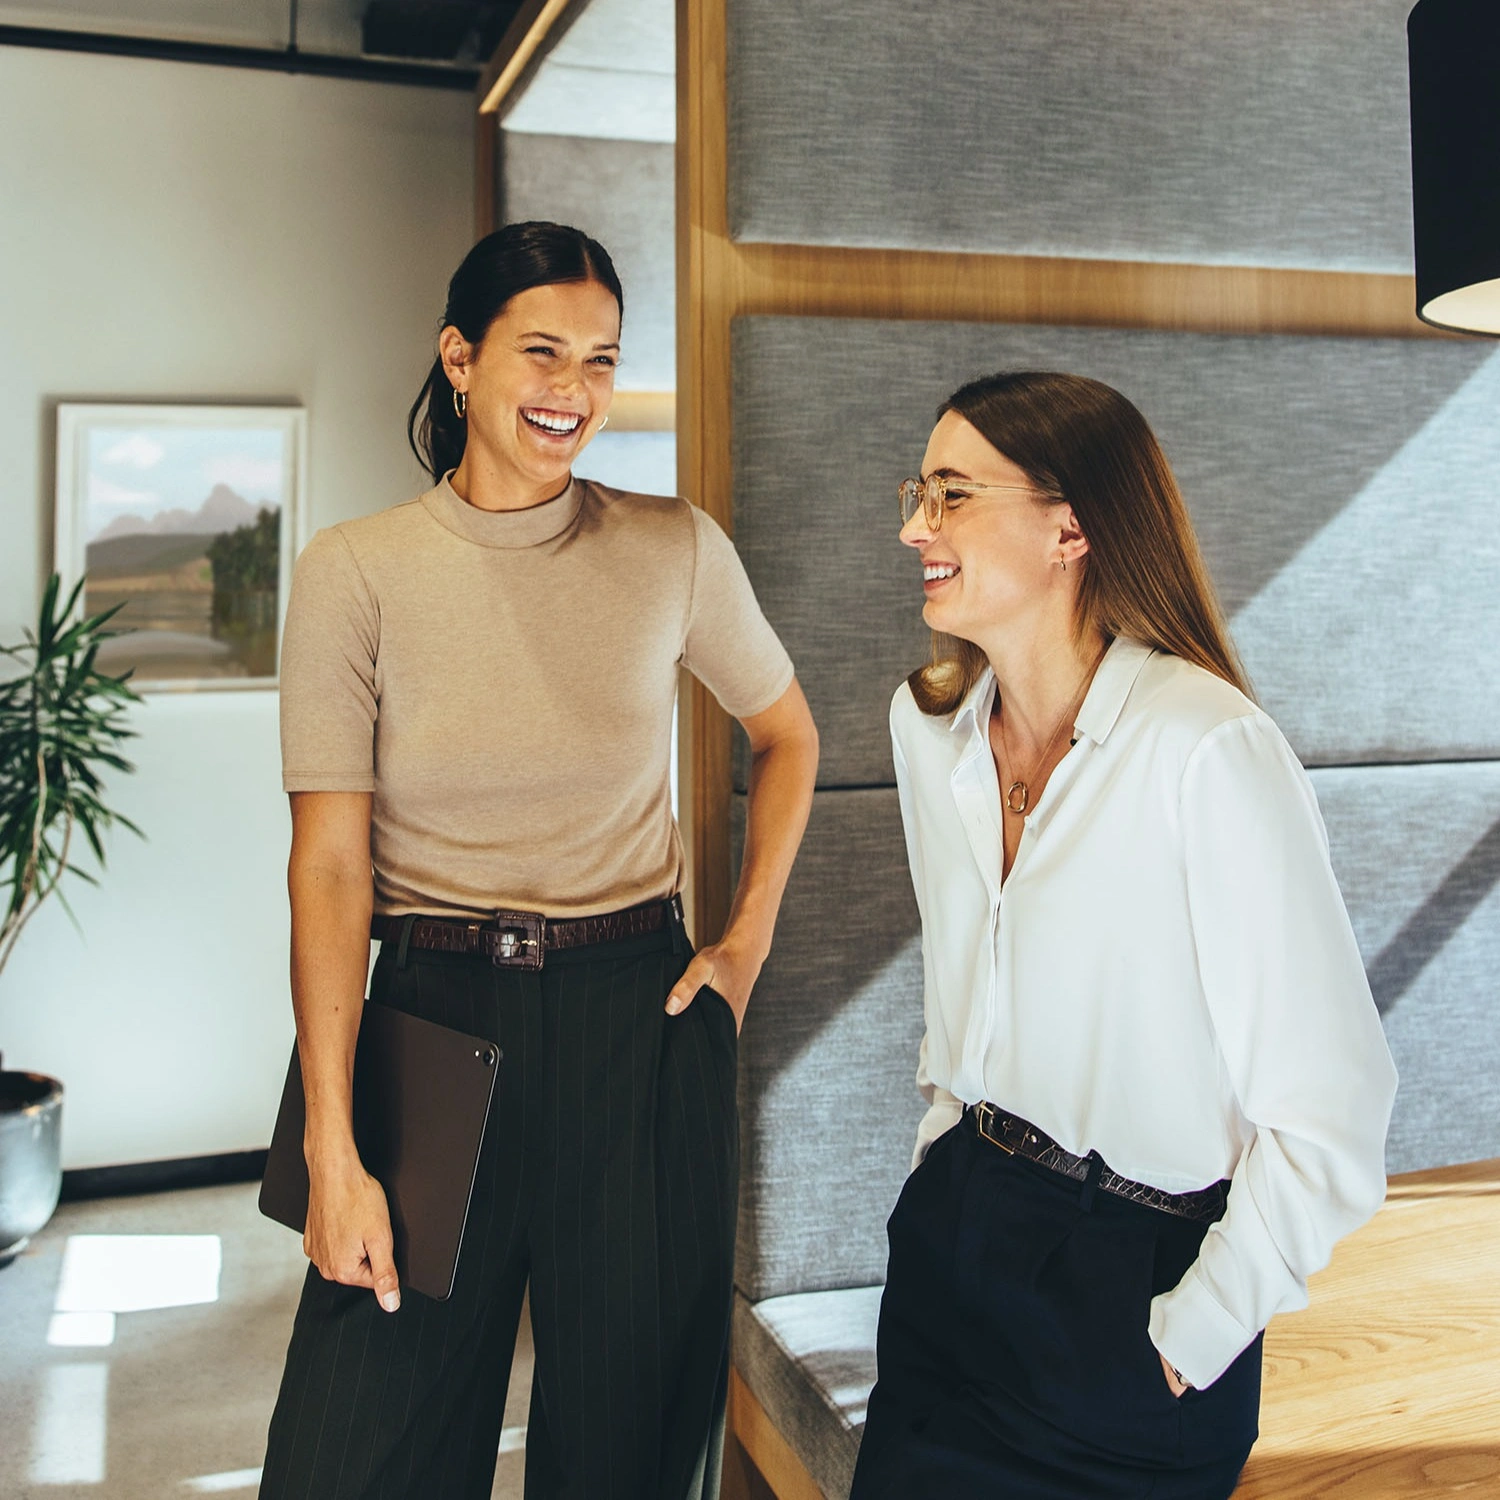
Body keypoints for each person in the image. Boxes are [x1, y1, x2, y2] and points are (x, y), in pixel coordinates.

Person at [258, 221, 818, 1500]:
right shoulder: (355, 571)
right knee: (352, 1463)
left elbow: (787, 734)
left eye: (602, 360)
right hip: (427, 1024)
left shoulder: (673, 548)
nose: (574, 390)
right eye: (542, 351)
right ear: (460, 359)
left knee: (627, 1458)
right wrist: (337, 1152)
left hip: (639, 1020)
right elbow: (330, 870)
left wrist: (743, 949)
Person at [848, 371, 1397, 1499]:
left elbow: (1335, 1118)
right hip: (957, 1246)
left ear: (1072, 527)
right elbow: (962, 1004)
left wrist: (1192, 1335)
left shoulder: (1209, 753)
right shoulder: (931, 729)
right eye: (920, 491)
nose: (915, 526)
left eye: (952, 495)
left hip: (1126, 1291)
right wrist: (938, 1169)